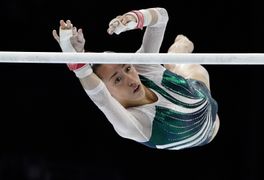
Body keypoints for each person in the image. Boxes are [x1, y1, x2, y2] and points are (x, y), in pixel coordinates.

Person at [52, 7, 220, 150]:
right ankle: (174, 56)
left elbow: (162, 17)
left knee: (178, 58)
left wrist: (135, 18)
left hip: (196, 88)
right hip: (210, 130)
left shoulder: (141, 68)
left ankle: (177, 53)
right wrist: (75, 61)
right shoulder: (133, 124)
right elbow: (100, 98)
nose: (131, 79)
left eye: (127, 68)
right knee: (173, 61)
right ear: (106, 89)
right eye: (117, 79)